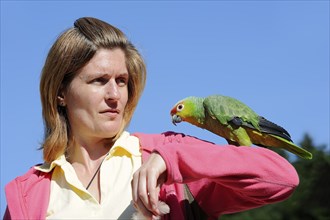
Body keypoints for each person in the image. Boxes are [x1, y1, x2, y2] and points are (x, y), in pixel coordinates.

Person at [4, 17, 299, 220]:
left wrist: (175, 161)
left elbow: (282, 179)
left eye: (121, 81)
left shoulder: (167, 159)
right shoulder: (28, 194)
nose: (114, 94)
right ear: (61, 93)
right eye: (98, 81)